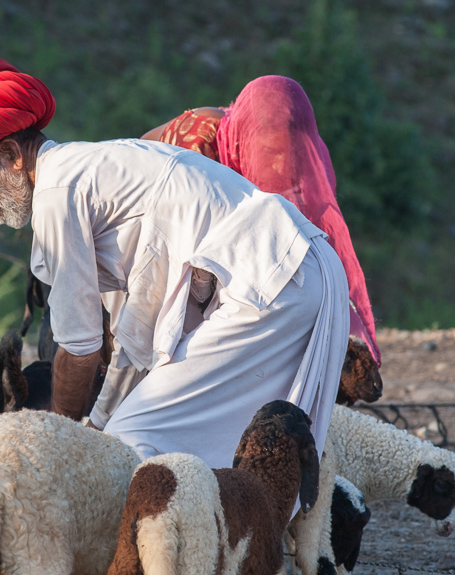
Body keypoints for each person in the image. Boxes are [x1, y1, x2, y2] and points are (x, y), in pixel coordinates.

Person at [0, 57, 349, 468]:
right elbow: (133, 347)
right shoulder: (91, 169)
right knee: (173, 448)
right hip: (297, 273)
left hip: (272, 284)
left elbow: (80, 350)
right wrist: (94, 427)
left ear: (10, 154)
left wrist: (58, 440)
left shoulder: (60, 195)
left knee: (130, 450)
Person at [142, 75, 380, 367]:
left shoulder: (306, 153)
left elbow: (303, 238)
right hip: (150, 229)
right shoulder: (196, 146)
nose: (276, 166)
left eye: (284, 153)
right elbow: (179, 247)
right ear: (249, 139)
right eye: (269, 152)